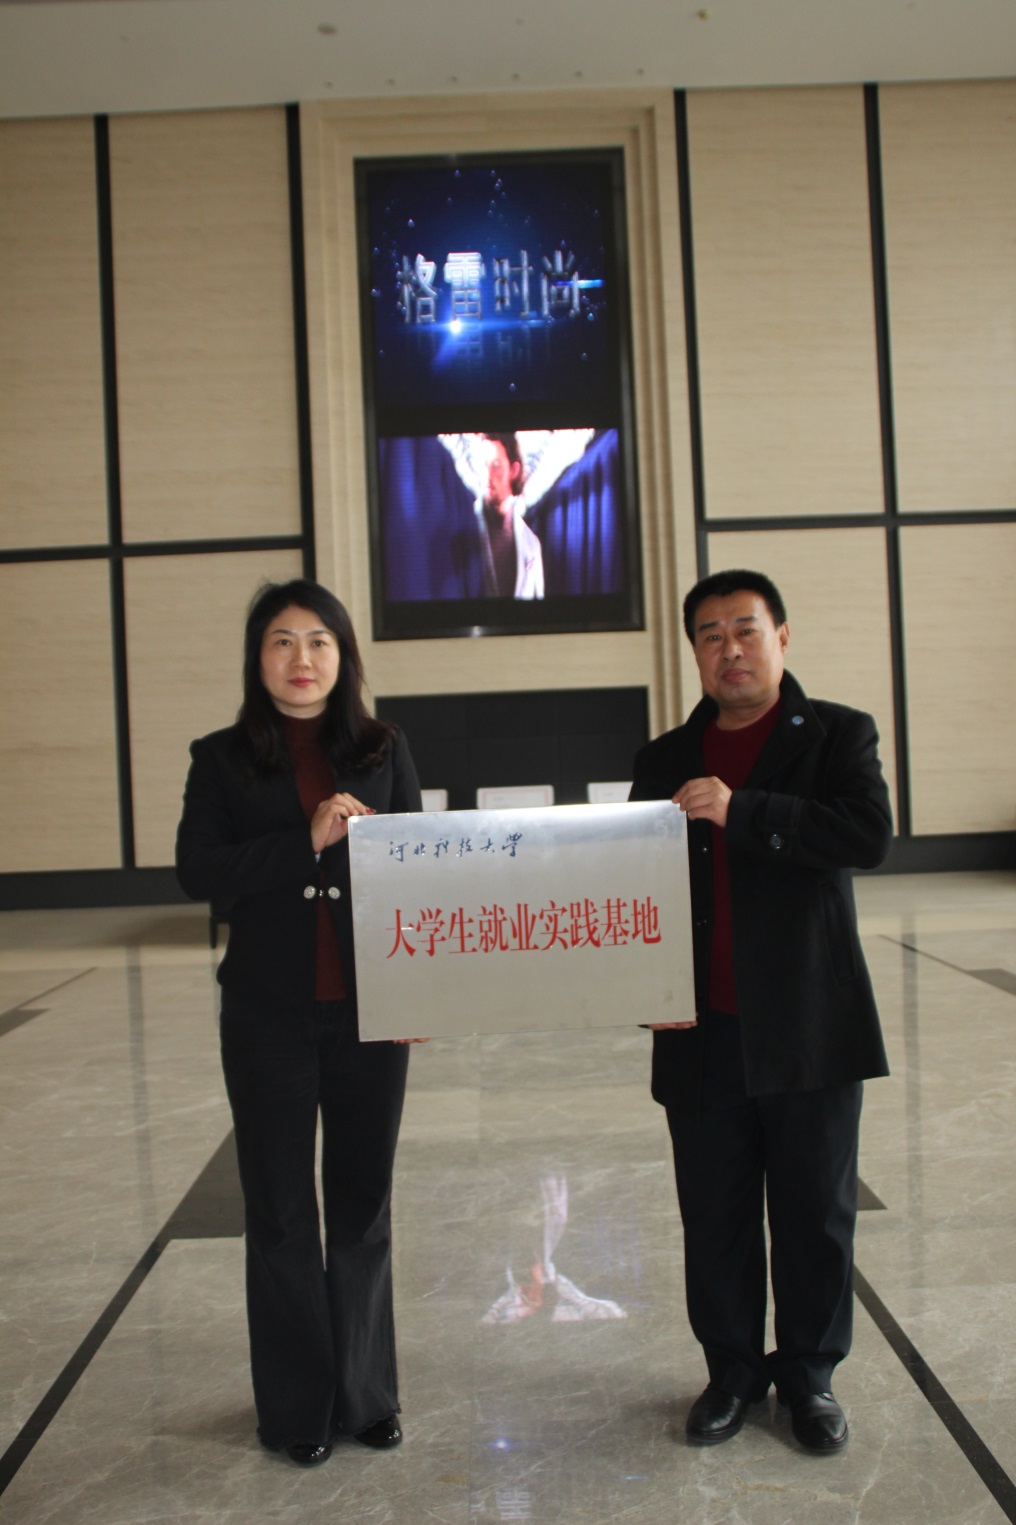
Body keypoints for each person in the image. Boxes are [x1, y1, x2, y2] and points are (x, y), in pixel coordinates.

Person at [629, 569, 892, 1454]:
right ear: (693, 652)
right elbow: (633, 886)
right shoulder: (664, 758)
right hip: (701, 1028)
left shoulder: (839, 734)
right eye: (709, 634)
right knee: (716, 1213)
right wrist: (641, 987)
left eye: (746, 629)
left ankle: (810, 1374)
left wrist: (744, 812)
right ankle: (733, 1372)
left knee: (815, 1210)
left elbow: (866, 833)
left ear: (782, 635)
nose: (730, 648)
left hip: (810, 1023)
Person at [176, 578, 425, 1467]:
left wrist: (421, 990)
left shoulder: (383, 748)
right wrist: (304, 841)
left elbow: (417, 870)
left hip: (370, 1012)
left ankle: (367, 1393)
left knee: (362, 1203)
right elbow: (200, 870)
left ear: (343, 655)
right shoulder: (220, 758)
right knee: (281, 1211)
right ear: (259, 658)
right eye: (281, 640)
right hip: (268, 1015)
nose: (301, 658)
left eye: (319, 640)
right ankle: (296, 1408)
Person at [471, 433, 544, 599]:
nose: (487, 476)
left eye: (496, 466)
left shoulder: (532, 544)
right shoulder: (462, 530)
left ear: (513, 470)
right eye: (484, 465)